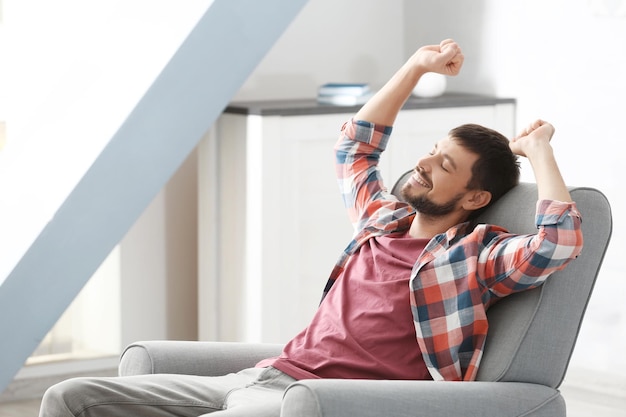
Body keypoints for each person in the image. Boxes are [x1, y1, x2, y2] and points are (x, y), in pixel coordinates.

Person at [38, 39, 583, 417]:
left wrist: (538, 152)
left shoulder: (472, 256)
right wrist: (416, 68)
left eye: (444, 166)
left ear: (475, 198)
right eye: (432, 152)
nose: (423, 164)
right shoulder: (382, 221)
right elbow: (356, 145)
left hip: (320, 402)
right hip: (262, 377)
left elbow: (556, 245)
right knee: (70, 398)